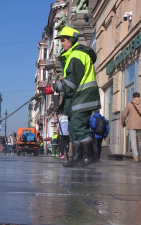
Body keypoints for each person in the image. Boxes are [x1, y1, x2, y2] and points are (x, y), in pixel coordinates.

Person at [42, 26, 100, 167]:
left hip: (83, 96)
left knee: (79, 125)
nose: (62, 43)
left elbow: (71, 82)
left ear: (71, 39)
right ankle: (77, 156)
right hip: (79, 97)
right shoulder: (72, 56)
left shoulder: (76, 56)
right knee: (73, 127)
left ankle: (89, 156)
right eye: (61, 40)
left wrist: (54, 87)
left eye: (64, 40)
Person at [121, 92, 141, 163]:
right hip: (140, 125)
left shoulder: (129, 104)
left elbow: (124, 115)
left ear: (133, 97)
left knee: (133, 141)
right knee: (139, 141)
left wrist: (123, 123)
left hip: (131, 125)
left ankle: (135, 156)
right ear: (139, 97)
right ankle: (138, 155)